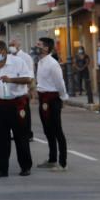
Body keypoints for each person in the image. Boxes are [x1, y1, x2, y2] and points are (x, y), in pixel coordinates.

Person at [0, 40, 34, 178]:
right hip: (0, 104)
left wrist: (11, 80)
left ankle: (25, 166)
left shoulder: (18, 62)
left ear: (4, 51)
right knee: (2, 138)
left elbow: (28, 79)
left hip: (17, 103)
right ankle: (2, 169)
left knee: (21, 137)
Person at [34, 37, 69, 171]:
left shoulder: (52, 63)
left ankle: (62, 162)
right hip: (43, 98)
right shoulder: (41, 62)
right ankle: (52, 159)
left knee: (57, 130)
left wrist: (63, 98)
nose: (36, 47)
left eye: (39, 45)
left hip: (52, 98)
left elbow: (60, 83)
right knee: (47, 130)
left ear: (46, 48)